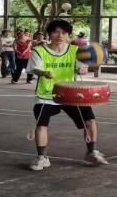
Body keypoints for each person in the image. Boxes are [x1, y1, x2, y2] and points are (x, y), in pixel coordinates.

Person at [29, 19, 109, 170]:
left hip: (71, 93)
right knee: (41, 125)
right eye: (56, 32)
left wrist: (83, 68)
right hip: (47, 94)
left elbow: (82, 68)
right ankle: (42, 157)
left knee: (90, 121)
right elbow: (35, 69)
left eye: (64, 32)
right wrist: (43, 73)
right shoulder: (38, 50)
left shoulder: (76, 51)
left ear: (68, 35)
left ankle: (92, 152)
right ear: (49, 34)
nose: (60, 35)